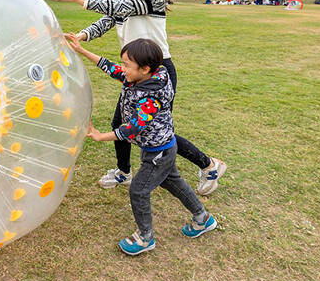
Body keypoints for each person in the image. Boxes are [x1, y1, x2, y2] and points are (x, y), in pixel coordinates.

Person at [46, 0, 226, 196]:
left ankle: (209, 165)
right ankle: (124, 172)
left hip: (157, 71)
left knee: (158, 131)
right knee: (120, 122)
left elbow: (118, 9)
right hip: (135, 72)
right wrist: (83, 36)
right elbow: (109, 19)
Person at [70, 37, 217, 255]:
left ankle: (145, 237)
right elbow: (111, 68)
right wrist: (82, 50)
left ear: (145, 68)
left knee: (138, 190)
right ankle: (203, 218)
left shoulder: (152, 96)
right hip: (161, 148)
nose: (123, 69)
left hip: (160, 152)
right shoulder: (140, 77)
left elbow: (132, 129)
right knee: (173, 183)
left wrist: (101, 136)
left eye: (127, 65)